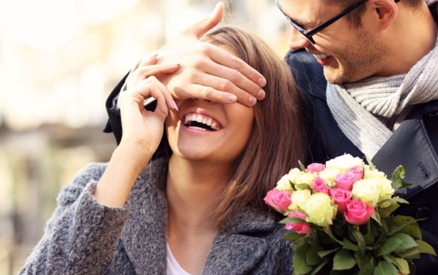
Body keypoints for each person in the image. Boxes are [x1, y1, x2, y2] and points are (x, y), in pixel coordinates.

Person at [104, 0, 438, 273]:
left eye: (310, 27)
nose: (293, 42)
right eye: (285, 17)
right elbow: (171, 143)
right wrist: (161, 72)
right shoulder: (296, 81)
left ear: (380, 11)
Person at [18, 21, 307, 275]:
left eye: (223, 85)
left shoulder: (290, 237)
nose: (201, 96)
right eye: (189, 81)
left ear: (266, 118)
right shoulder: (99, 188)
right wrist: (132, 149)